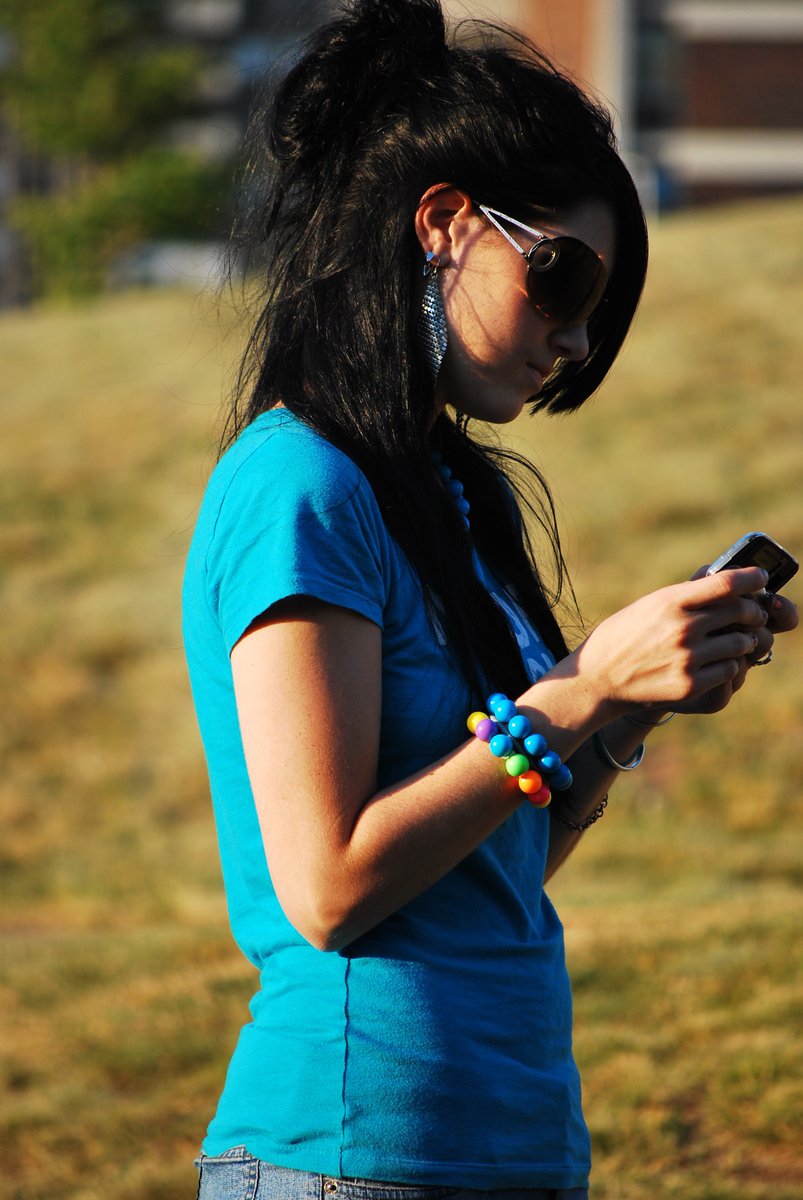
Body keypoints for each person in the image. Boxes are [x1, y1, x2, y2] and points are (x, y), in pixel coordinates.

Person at [182, 2, 797, 1197]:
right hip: (352, 1154)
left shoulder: (448, 501)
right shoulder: (299, 483)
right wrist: (576, 694)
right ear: (444, 223)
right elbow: (329, 885)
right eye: (558, 278)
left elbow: (490, 870)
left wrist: (621, 720)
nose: (570, 340)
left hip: (508, 1146)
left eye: (596, 314)